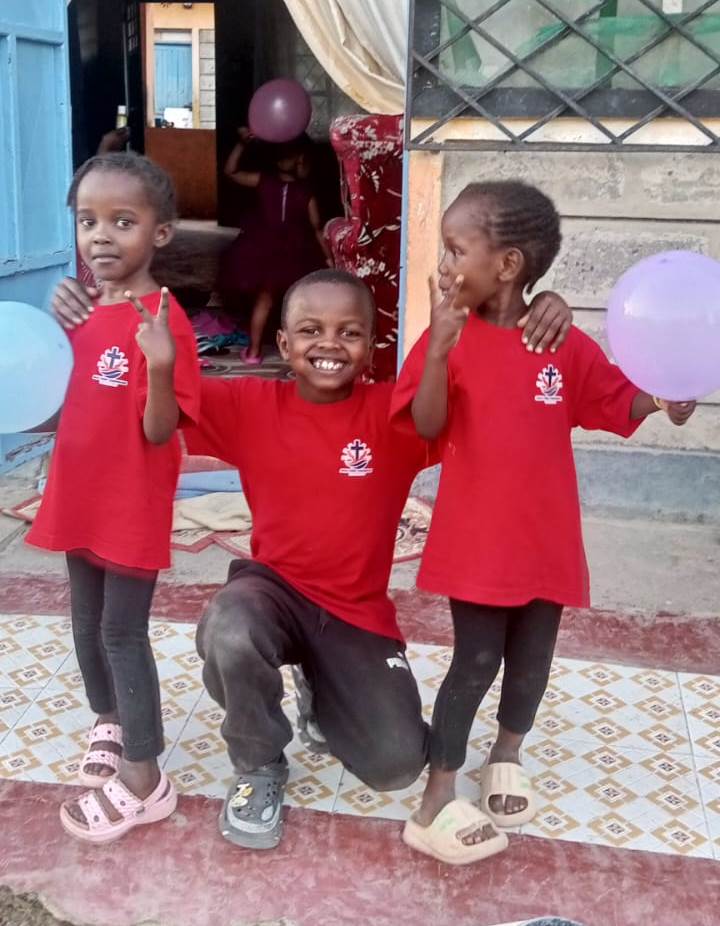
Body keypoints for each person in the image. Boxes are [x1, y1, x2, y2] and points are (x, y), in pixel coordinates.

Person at [51, 266, 573, 852]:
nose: (328, 344)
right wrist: (146, 351)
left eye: (349, 332)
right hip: (270, 591)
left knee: (397, 764)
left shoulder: (397, 412)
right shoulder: (248, 401)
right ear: (282, 344)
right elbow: (163, 421)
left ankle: (320, 699)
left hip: (357, 614)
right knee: (228, 630)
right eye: (309, 330)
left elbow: (477, 391)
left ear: (373, 347)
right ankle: (260, 764)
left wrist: (534, 309)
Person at [391, 180, 696, 866]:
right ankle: (439, 790)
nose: (443, 266)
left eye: (455, 250)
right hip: (476, 542)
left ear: (508, 266)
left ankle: (507, 755)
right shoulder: (449, 335)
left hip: (547, 537)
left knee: (532, 659)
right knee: (473, 660)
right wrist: (437, 349)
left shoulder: (558, 338)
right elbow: (426, 424)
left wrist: (664, 398)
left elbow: (616, 398)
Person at [27, 152, 201, 843]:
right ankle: (108, 720)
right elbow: (43, 398)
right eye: (87, 221)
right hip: (77, 492)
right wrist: (50, 325)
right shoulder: (73, 304)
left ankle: (143, 775)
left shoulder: (166, 320)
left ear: (160, 233)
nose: (101, 237)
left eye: (122, 222)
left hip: (131, 500)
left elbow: (163, 429)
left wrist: (159, 365)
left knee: (121, 632)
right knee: (84, 618)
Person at [218, 127, 333, 365]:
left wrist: (241, 144)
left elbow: (231, 172)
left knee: (265, 300)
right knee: (301, 304)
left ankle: (253, 352)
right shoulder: (306, 194)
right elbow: (317, 229)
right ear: (302, 161)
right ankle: (305, 351)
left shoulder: (263, 181)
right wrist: (329, 258)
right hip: (296, 254)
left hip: (264, 251)